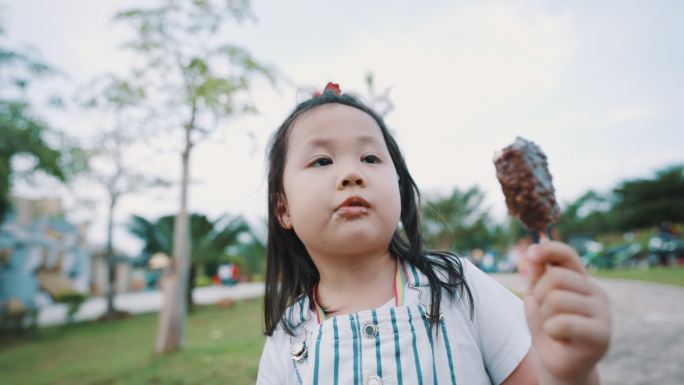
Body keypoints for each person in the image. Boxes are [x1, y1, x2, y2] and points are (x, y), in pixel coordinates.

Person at [257, 82, 611, 385]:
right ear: (283, 209)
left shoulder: (457, 285)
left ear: (398, 185)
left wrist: (571, 373)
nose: (352, 173)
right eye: (321, 161)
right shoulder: (286, 339)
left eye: (370, 158)